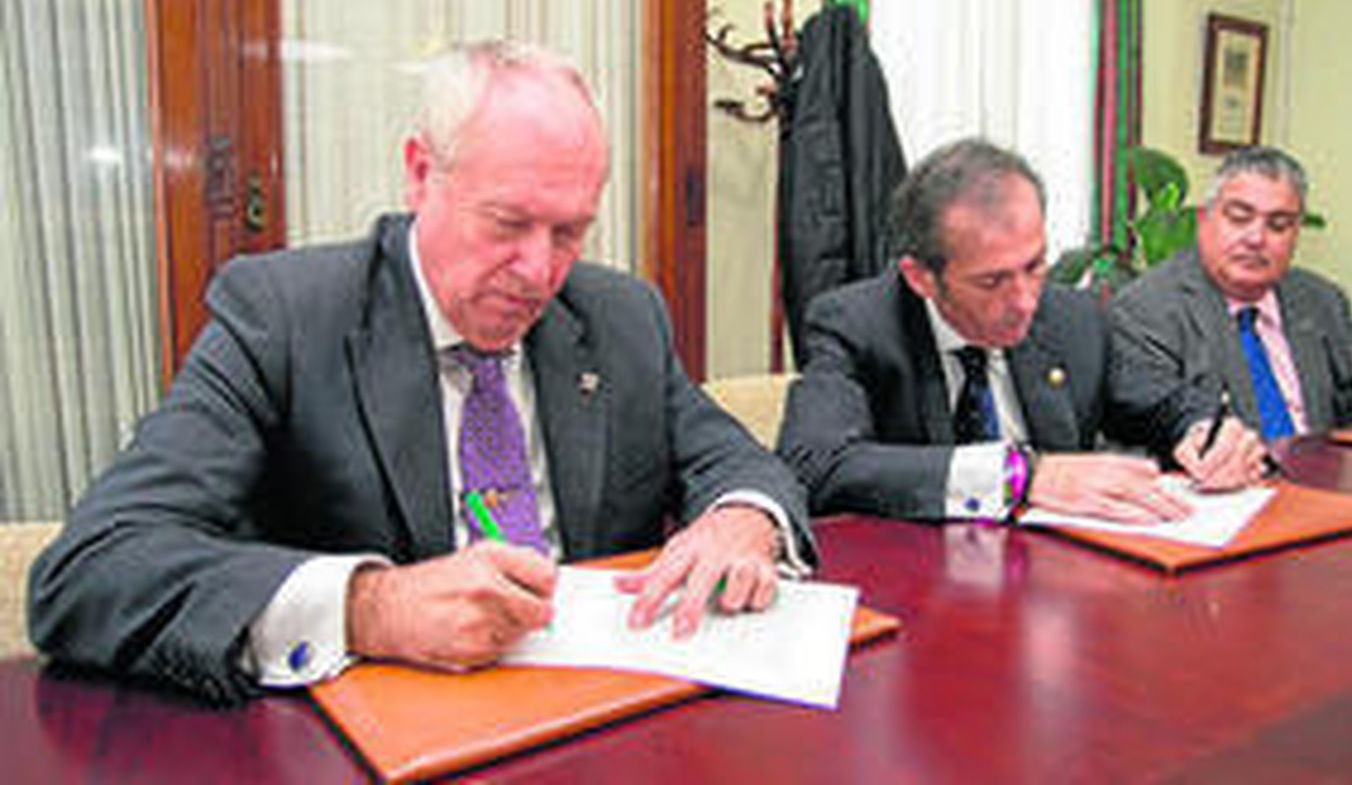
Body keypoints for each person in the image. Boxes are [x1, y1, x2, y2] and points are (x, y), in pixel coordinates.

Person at [28, 41, 813, 705]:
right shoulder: (285, 318)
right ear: (420, 173)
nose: (540, 271)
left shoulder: (618, 316)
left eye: (570, 231)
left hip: (596, 713)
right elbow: (92, 571)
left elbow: (738, 463)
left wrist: (743, 519)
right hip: (381, 726)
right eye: (507, 223)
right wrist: (372, 606)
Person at [777, 138, 1264, 526]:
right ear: (920, 276)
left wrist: (1207, 432)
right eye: (992, 281)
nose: (1026, 300)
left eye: (1034, 265)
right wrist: (1019, 477)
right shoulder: (855, 325)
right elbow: (816, 465)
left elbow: (1162, 402)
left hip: (1049, 585)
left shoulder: (1072, 317)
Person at [1108, 145, 1352, 472]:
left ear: (1296, 233)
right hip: (1221, 496)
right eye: (1239, 218)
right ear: (1204, 221)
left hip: (1321, 488)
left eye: (1278, 225)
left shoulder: (1323, 302)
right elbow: (1157, 413)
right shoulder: (1147, 308)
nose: (1256, 238)